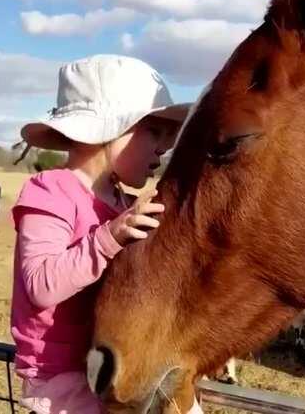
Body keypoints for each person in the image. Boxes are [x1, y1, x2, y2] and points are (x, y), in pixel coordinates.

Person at [10, 54, 200, 414]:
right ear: (110, 130)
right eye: (154, 131)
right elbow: (41, 285)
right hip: (62, 379)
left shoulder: (125, 204)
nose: (164, 147)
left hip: (118, 363)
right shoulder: (50, 191)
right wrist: (110, 236)